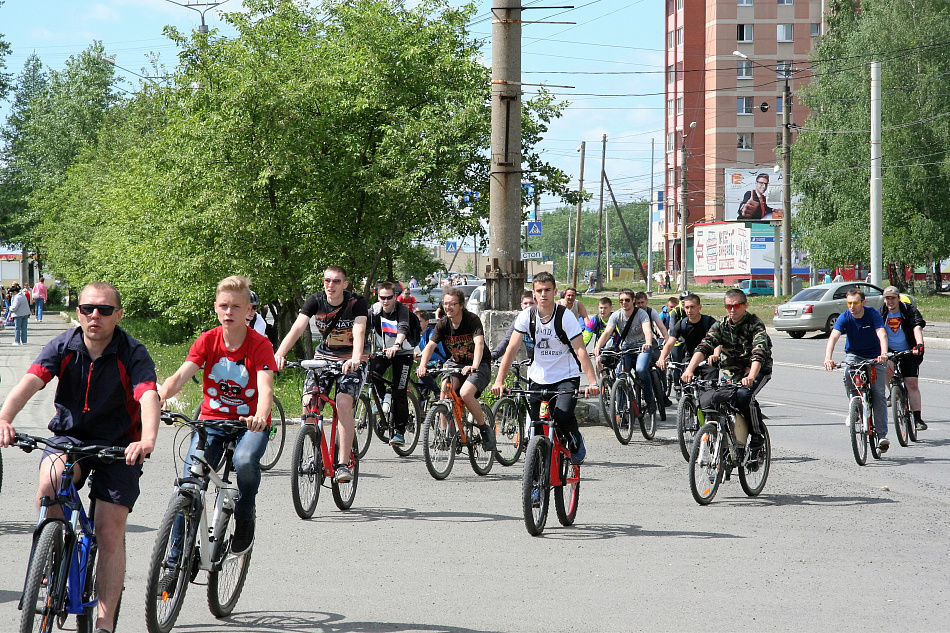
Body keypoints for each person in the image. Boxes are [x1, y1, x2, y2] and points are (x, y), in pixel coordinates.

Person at [0, 282, 160, 633]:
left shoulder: (132, 352)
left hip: (120, 446)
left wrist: (146, 440)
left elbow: (148, 397)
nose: (95, 316)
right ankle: (52, 553)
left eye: (104, 310)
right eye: (88, 309)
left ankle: (104, 622)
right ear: (79, 313)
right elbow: (30, 381)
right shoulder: (64, 345)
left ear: (118, 314)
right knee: (50, 481)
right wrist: (4, 418)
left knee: (108, 528)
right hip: (71, 438)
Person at [159, 276, 275, 556]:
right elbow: (181, 375)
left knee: (245, 460)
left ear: (249, 310)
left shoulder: (259, 344)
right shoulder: (207, 340)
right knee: (188, 485)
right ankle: (174, 561)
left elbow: (266, 387)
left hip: (249, 423)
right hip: (212, 422)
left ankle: (245, 513)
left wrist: (260, 415)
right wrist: (160, 397)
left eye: (236, 307)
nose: (229, 312)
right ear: (215, 307)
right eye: (224, 306)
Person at [491, 272, 600, 464]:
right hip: (538, 377)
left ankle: (575, 440)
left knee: (562, 415)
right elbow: (512, 349)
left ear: (555, 291)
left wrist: (592, 382)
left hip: (565, 376)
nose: (543, 294)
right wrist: (499, 380)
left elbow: (580, 350)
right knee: (537, 427)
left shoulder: (565, 317)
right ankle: (536, 480)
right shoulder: (527, 316)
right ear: (533, 294)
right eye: (539, 291)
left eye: (547, 290)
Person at [275, 266, 368, 482]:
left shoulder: (356, 303)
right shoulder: (315, 301)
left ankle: (343, 464)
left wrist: (355, 358)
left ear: (345, 284)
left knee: (343, 403)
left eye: (336, 281)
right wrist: (279, 354)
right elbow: (298, 328)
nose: (331, 285)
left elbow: (359, 330)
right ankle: (313, 453)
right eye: (327, 280)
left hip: (352, 360)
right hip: (324, 358)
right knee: (309, 403)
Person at [682, 288, 772, 451]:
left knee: (744, 395)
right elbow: (704, 346)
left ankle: (757, 436)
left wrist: (751, 376)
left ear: (745, 305)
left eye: (736, 306)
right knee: (717, 399)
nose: (732, 310)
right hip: (730, 372)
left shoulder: (755, 324)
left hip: (757, 370)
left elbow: (759, 352)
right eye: (728, 306)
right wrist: (689, 369)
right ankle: (725, 446)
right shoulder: (721, 325)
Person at [416, 287, 495, 451]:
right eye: (445, 304)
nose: (448, 307)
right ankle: (445, 434)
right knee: (445, 390)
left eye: (452, 304)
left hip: (479, 364)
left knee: (466, 393)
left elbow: (479, 344)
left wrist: (474, 365)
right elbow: (431, 345)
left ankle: (484, 429)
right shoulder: (443, 323)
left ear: (461, 305)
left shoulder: (472, 320)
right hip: (457, 363)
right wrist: (422, 365)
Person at [822, 287, 890, 452]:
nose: (852, 306)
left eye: (855, 303)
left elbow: (882, 334)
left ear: (863, 302)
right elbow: (834, 337)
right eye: (849, 303)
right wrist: (827, 358)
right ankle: (856, 407)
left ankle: (882, 436)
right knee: (847, 375)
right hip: (854, 355)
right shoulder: (845, 317)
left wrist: (883, 354)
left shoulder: (872, 313)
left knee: (878, 394)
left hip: (875, 356)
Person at [369, 282, 416, 446]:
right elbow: (361, 327)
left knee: (399, 390)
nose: (386, 301)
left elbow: (403, 327)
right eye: (382, 297)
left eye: (389, 297)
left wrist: (396, 345)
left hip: (403, 352)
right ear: (378, 297)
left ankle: (399, 432)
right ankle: (383, 399)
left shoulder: (402, 310)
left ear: (395, 297)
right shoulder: (374, 310)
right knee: (372, 372)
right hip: (385, 351)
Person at [593, 289, 655, 409]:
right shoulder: (616, 315)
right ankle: (621, 409)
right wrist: (598, 347)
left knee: (641, 370)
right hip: (626, 348)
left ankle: (649, 400)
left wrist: (648, 342)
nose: (624, 302)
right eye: (621, 300)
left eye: (627, 300)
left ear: (633, 301)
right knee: (620, 374)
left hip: (642, 347)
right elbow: (607, 333)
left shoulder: (641, 314)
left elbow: (647, 330)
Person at [881, 286, 927, 431]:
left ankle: (918, 419)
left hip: (909, 350)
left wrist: (919, 345)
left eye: (893, 298)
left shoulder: (908, 310)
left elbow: (917, 327)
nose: (890, 301)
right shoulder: (881, 312)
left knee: (911, 383)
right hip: (889, 351)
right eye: (887, 298)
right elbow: (876, 330)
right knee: (887, 368)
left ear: (898, 298)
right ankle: (892, 392)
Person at [657, 293, 720, 390]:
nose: (689, 310)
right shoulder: (682, 324)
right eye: (686, 307)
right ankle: (687, 401)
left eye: (692, 307)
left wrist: (715, 355)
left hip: (708, 360)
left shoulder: (709, 321)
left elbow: (717, 341)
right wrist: (662, 358)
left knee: (710, 390)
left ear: (699, 307)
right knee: (686, 385)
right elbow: (670, 343)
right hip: (690, 358)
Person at [491, 290, 536, 361]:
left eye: (531, 303)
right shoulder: (519, 320)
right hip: (532, 361)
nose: (528, 306)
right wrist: (494, 355)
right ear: (521, 306)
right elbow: (508, 339)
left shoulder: (541, 319)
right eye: (525, 303)